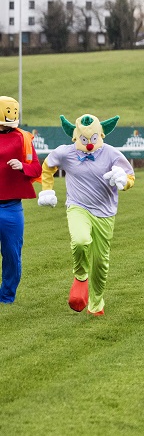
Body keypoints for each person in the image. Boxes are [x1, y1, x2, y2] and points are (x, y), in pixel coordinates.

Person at [37, 113, 135, 316]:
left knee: (100, 261)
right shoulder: (66, 153)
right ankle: (80, 276)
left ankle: (96, 304)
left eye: (93, 139)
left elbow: (130, 176)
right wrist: (47, 189)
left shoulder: (111, 154)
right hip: (78, 207)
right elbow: (47, 167)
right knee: (81, 241)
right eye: (84, 140)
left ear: (101, 135)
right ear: (75, 137)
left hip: (105, 213)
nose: (89, 145)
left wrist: (123, 181)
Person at [0, 96, 41, 304]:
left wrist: (22, 166)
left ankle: (6, 297)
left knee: (11, 255)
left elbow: (36, 168)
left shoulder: (23, 138)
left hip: (11, 207)